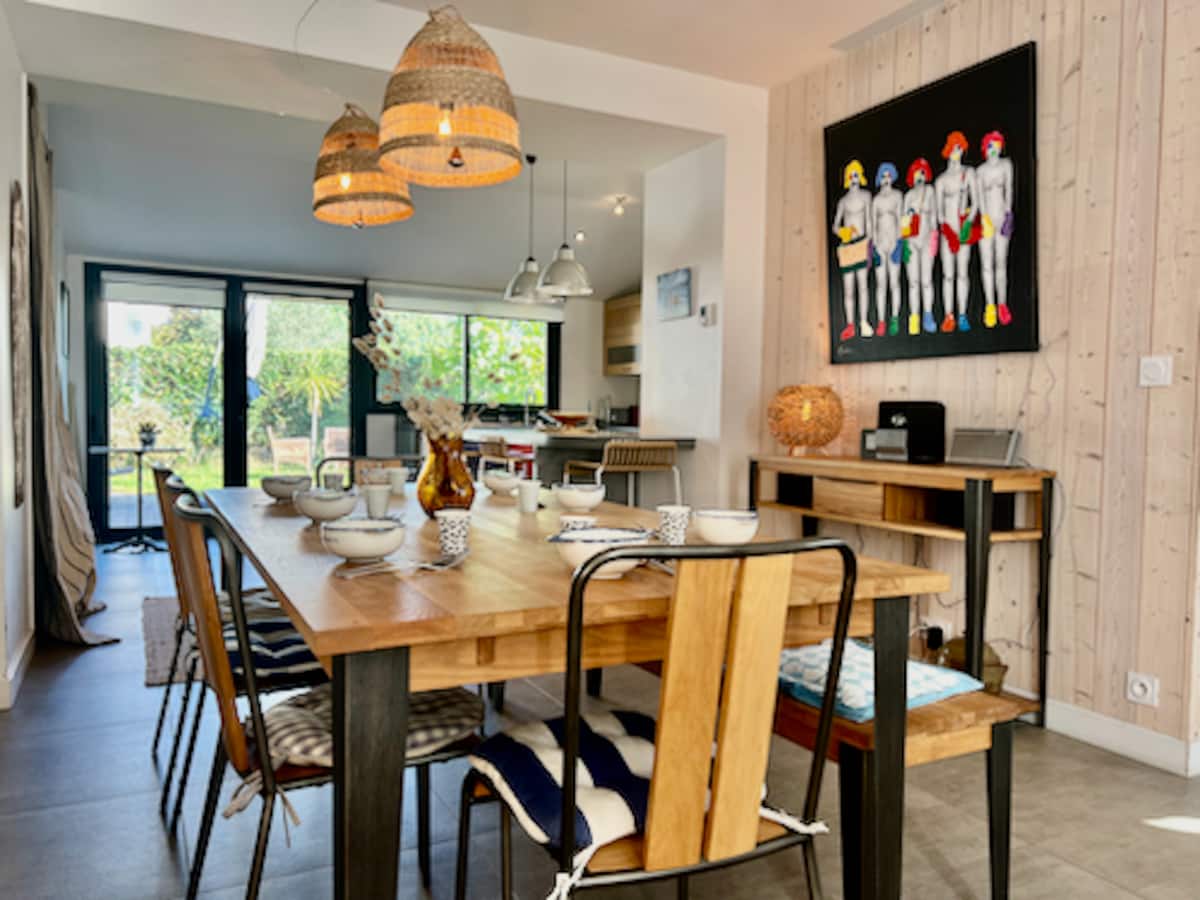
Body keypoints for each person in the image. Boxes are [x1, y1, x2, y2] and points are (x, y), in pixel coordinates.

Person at [934, 130, 980, 333]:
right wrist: (948, 232)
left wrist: (968, 223)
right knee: (948, 275)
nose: (957, 152)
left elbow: (975, 202)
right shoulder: (941, 180)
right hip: (948, 232)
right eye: (954, 148)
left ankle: (962, 314)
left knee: (962, 273)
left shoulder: (968, 173)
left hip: (963, 229)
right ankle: (948, 315)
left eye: (960, 148)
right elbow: (939, 212)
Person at [976, 130, 1015, 327]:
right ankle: (989, 305)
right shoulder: (980, 171)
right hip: (986, 220)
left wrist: (1008, 214)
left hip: (1001, 217)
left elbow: (1009, 190)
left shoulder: (1006, 165)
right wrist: (984, 219)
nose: (994, 149)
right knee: (986, 264)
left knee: (1001, 263)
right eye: (990, 145)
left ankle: (1002, 303)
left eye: (997, 145)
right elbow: (979, 197)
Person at [832, 159, 872, 340]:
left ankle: (863, 322)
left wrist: (870, 240)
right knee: (848, 288)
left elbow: (869, 220)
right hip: (847, 246)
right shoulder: (843, 201)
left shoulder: (866, 196)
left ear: (860, 176)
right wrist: (843, 232)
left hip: (861, 243)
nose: (854, 179)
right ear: (847, 178)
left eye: (856, 175)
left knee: (863, 285)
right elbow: (835, 225)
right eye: (851, 175)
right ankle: (850, 324)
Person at [901, 158, 938, 334]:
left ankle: (928, 314)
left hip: (927, 239)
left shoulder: (930, 191)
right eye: (916, 173)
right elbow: (903, 223)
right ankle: (914, 317)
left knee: (926, 280)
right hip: (912, 241)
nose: (919, 176)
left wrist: (935, 238)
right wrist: (904, 244)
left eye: (922, 172)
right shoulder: (908, 196)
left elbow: (934, 217)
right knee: (913, 282)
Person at [871, 162, 903, 336]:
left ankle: (895, 318)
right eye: (883, 176)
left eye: (889, 175)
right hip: (880, 244)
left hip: (893, 242)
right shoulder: (876, 200)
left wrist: (899, 243)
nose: (886, 179)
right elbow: (873, 224)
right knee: (881, 284)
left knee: (894, 282)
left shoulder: (898, 196)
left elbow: (900, 220)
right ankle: (881, 320)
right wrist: (874, 246)